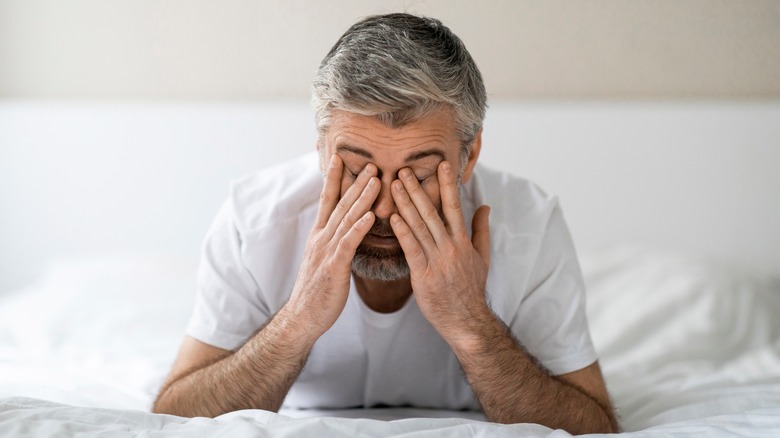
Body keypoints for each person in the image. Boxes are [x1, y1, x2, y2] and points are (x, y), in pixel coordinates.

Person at [153, 13, 618, 434]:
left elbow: (594, 427)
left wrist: (471, 324)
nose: (382, 208)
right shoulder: (254, 220)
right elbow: (174, 416)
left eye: (418, 176)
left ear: (469, 157)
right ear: (321, 149)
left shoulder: (530, 225)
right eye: (356, 169)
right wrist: (298, 320)